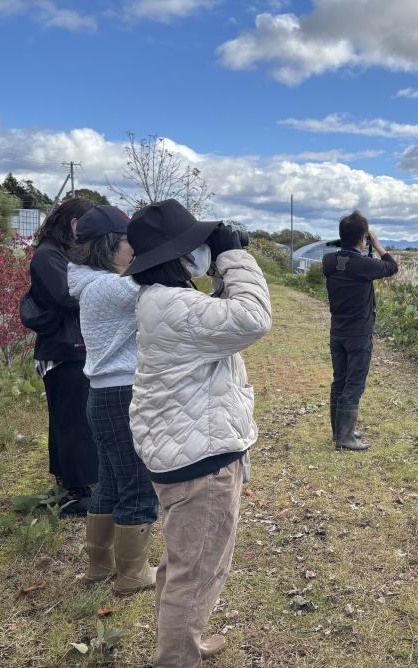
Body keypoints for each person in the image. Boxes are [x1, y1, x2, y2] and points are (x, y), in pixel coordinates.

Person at [123, 199, 271, 667]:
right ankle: (177, 658)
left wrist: (221, 264)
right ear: (177, 256)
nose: (202, 253)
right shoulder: (176, 305)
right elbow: (251, 318)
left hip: (181, 450)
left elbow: (224, 316)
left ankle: (186, 641)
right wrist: (233, 256)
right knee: (198, 570)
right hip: (200, 462)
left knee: (185, 561)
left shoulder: (161, 300)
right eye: (197, 247)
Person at [67, 205, 159, 595]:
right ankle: (133, 573)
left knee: (109, 482)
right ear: (108, 246)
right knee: (137, 484)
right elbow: (164, 278)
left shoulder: (91, 285)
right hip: (123, 394)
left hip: (104, 395)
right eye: (128, 242)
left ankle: (100, 566)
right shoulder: (111, 287)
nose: (134, 250)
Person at [28, 197, 97, 515]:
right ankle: (76, 492)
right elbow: (67, 296)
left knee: (68, 419)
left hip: (66, 347)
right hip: (62, 350)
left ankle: (70, 483)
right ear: (73, 223)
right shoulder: (47, 256)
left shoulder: (57, 254)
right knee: (73, 421)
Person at [322, 210, 398, 451]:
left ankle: (340, 431)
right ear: (363, 238)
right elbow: (391, 266)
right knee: (354, 384)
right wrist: (376, 244)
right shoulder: (363, 265)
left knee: (339, 381)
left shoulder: (329, 262)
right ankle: (345, 438)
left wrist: (359, 243)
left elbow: (345, 258)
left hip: (337, 331)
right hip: (359, 334)